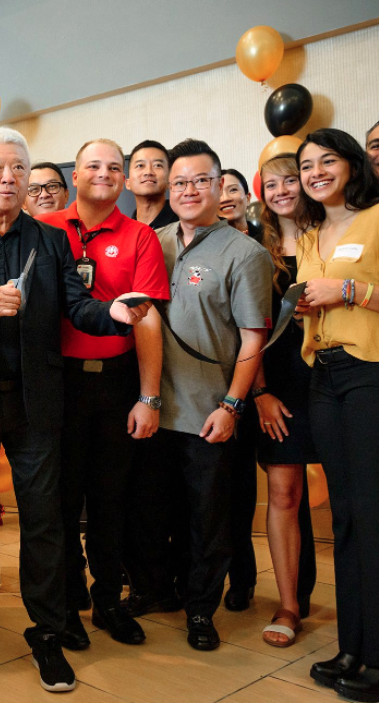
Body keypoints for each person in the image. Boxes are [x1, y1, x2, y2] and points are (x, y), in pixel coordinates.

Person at [0, 126, 151, 692]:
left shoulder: (50, 240)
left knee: (44, 522)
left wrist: (113, 315)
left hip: (36, 400)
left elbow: (77, 306)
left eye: (18, 169)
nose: (8, 179)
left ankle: (47, 630)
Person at [123, 139, 272, 651]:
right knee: (149, 511)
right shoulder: (152, 240)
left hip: (208, 410)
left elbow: (253, 337)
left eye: (200, 181)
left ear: (219, 186)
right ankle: (155, 590)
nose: (188, 190)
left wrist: (233, 405)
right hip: (152, 406)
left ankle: (201, 609)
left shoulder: (245, 254)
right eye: (180, 181)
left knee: (207, 520)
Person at [36, 139, 169, 650]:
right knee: (62, 500)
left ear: (126, 180)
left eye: (116, 167)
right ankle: (68, 604)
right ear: (76, 175)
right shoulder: (45, 231)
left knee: (112, 500)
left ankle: (109, 599)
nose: (105, 174)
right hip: (59, 382)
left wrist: (149, 396)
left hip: (116, 382)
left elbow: (148, 318)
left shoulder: (139, 237)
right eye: (94, 165)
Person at [293, 128, 379, 701]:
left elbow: (350, 291)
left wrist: (348, 289)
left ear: (352, 163)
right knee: (343, 517)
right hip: (322, 375)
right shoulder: (310, 233)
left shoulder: (376, 218)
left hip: (368, 369)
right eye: (306, 166)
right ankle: (353, 646)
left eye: (328, 160)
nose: (316, 172)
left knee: (372, 517)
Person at [250, 153, 319, 647]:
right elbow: (246, 331)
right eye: (270, 184)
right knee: (283, 496)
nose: (281, 191)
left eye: (289, 180)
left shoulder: (333, 236)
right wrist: (260, 394)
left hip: (340, 381)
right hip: (280, 389)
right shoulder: (256, 252)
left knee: (357, 500)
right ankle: (290, 604)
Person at [217, 167, 263, 614]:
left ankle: (242, 576)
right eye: (222, 189)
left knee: (239, 490)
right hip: (203, 388)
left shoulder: (258, 247)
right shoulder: (187, 243)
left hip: (249, 385)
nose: (226, 196)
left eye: (234, 189)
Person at [126, 140, 178, 229]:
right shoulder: (124, 230)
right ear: (128, 183)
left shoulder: (185, 224)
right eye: (140, 165)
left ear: (170, 181)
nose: (148, 172)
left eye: (157, 165)